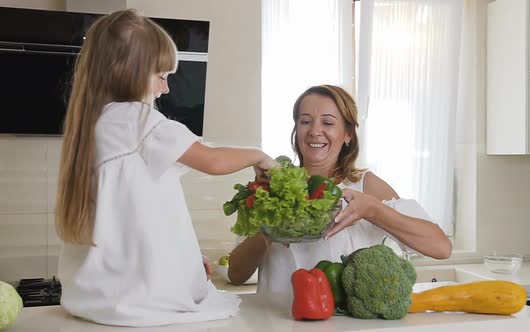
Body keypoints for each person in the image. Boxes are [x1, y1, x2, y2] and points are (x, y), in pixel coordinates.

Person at [54, 9, 278, 327]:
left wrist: (181, 261)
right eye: (161, 75)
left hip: (95, 297)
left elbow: (131, 218)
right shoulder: (139, 120)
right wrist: (258, 156)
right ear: (127, 71)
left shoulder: (95, 126)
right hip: (139, 303)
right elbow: (212, 161)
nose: (166, 88)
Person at [228, 85, 451, 295]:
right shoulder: (273, 188)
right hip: (276, 322)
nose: (315, 131)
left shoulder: (367, 185)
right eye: (305, 121)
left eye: (328, 123)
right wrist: (270, 230)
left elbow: (441, 248)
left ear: (348, 134)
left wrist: (373, 210)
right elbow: (236, 274)